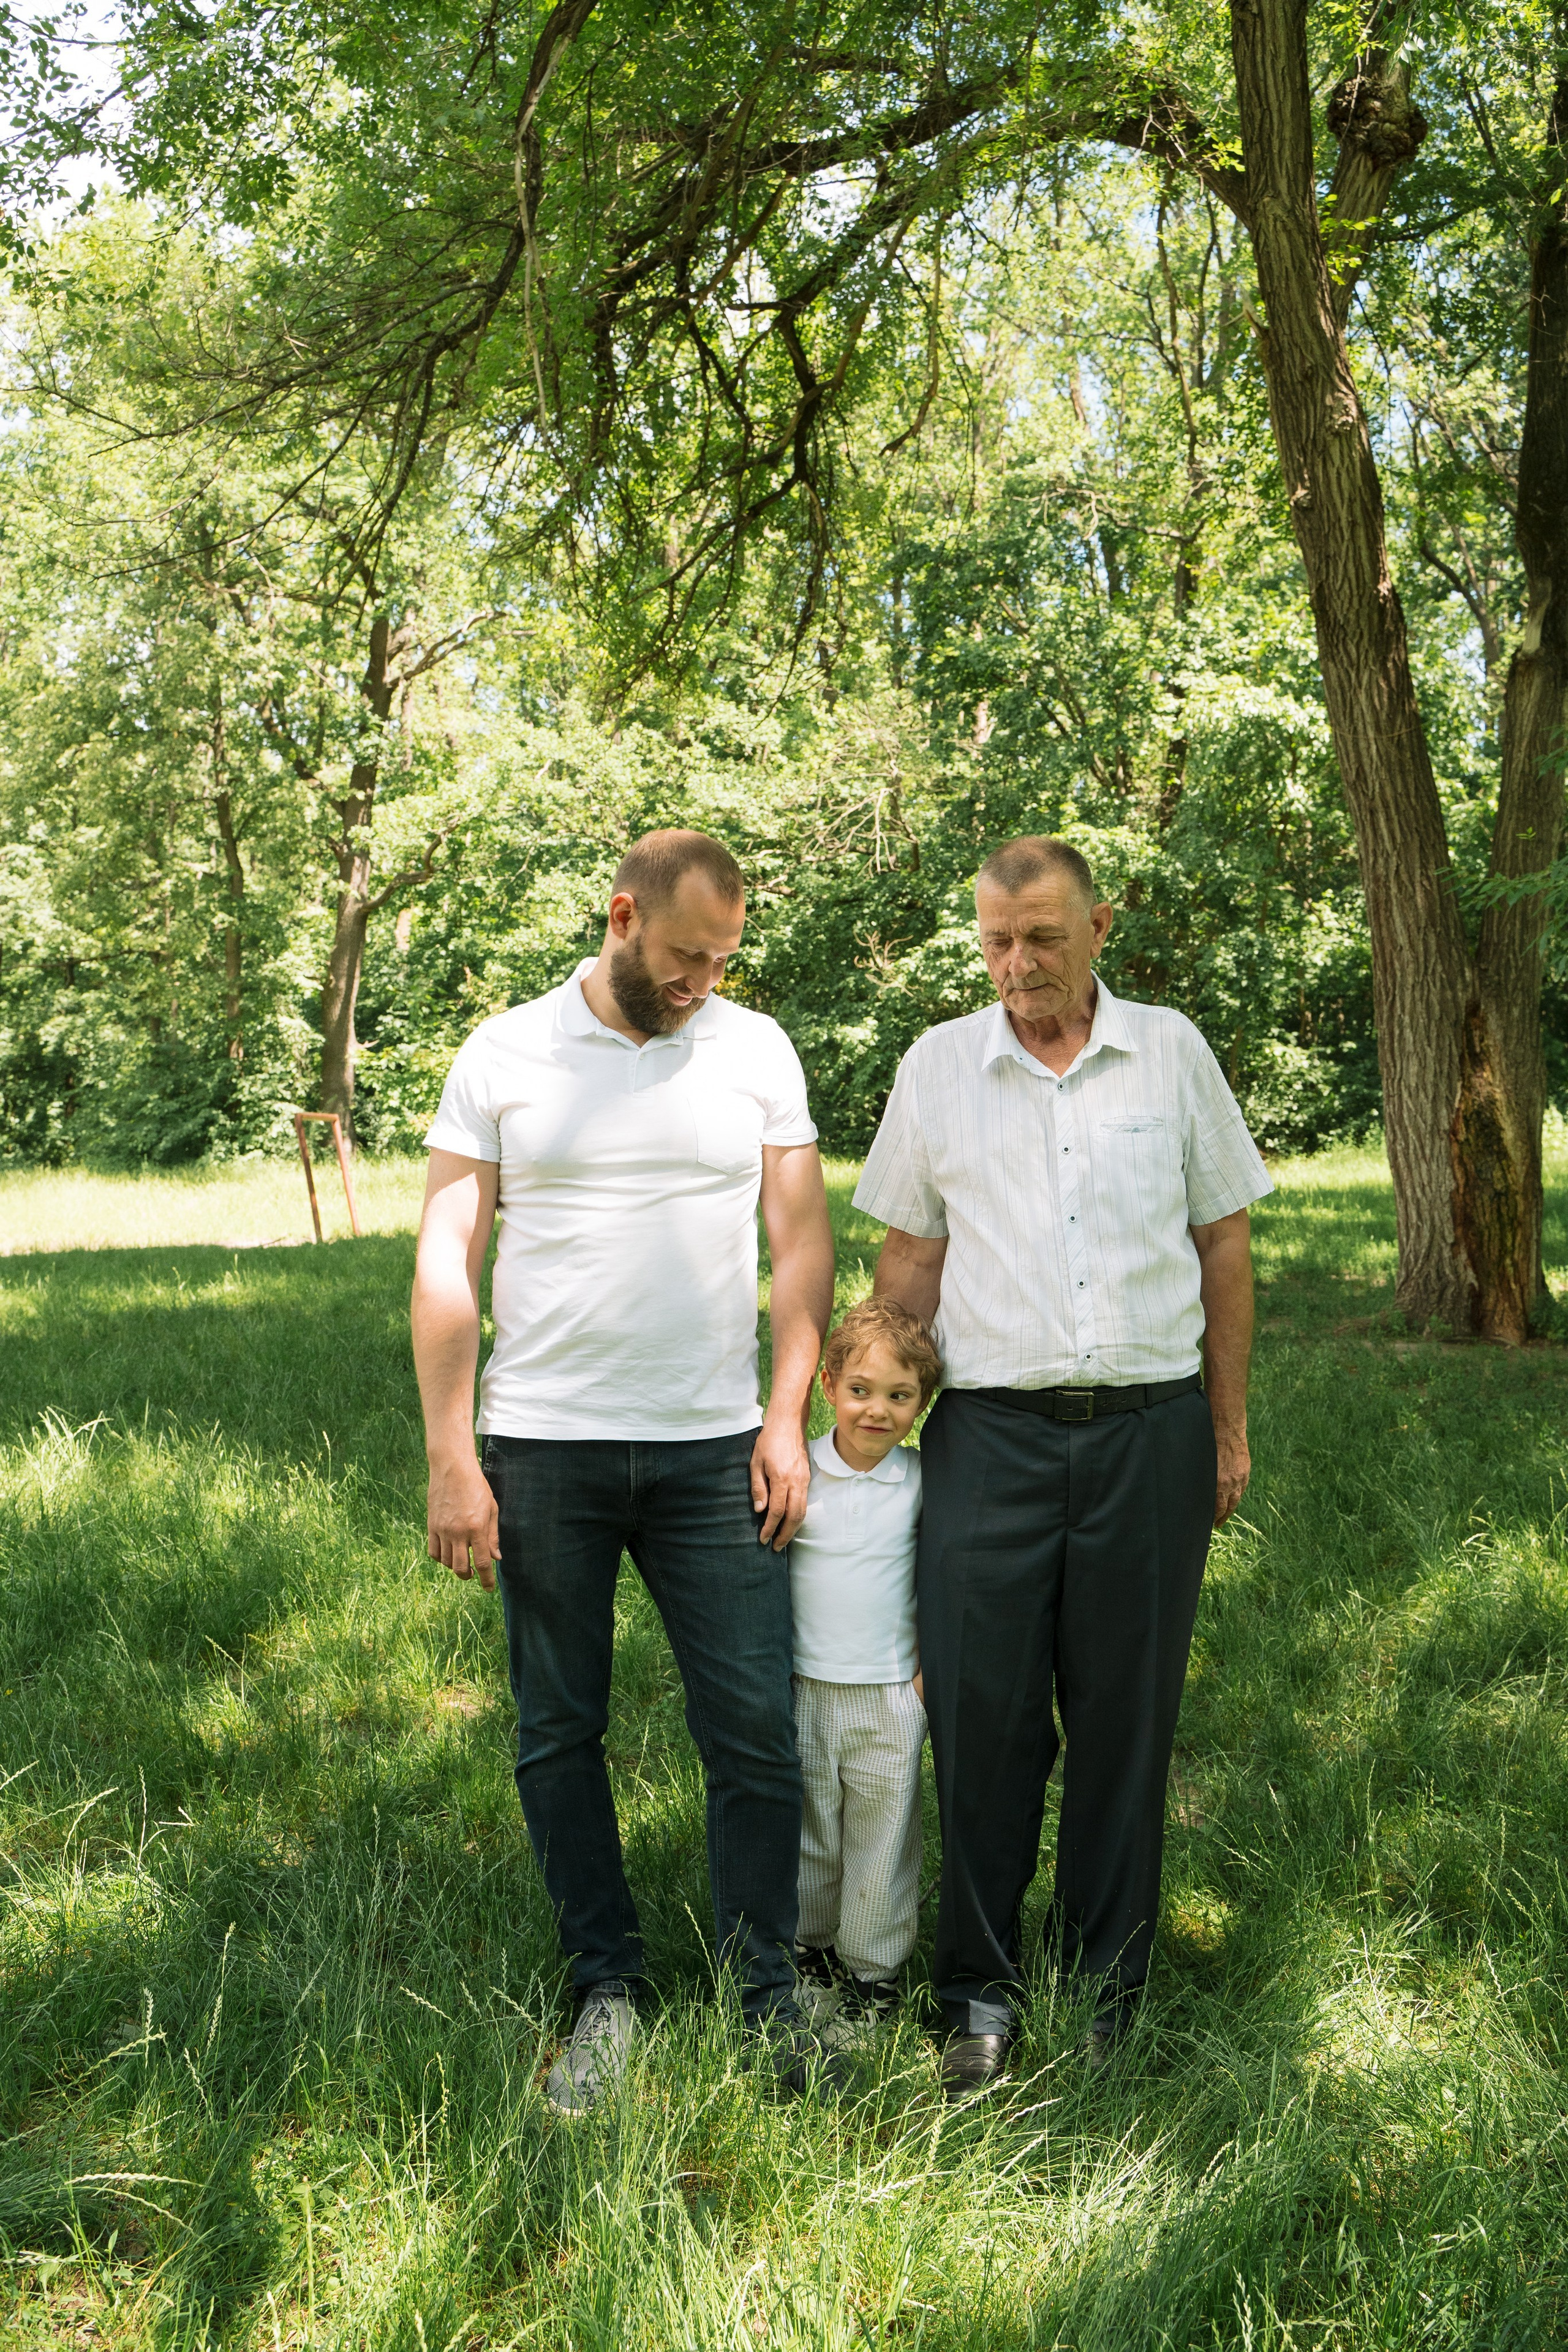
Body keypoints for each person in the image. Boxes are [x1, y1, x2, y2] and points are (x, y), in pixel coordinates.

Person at [411, 827, 835, 2115]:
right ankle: (607, 1989)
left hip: (717, 1448)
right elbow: (446, 1256)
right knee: (559, 1730)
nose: (702, 979)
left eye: (721, 958)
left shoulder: (754, 1051)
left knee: (755, 1727)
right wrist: (450, 1455)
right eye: (683, 954)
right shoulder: (504, 1053)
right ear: (618, 918)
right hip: (543, 1447)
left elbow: (802, 1244)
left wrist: (782, 1418)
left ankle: (768, 1997)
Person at [855, 834, 1271, 2096]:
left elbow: (1223, 1249)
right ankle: (975, 1990)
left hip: (1148, 1431)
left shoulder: (1171, 1051)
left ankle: (1102, 1983)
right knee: (978, 1718)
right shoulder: (937, 1067)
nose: (1016, 963)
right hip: (985, 1440)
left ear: (1101, 926)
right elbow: (907, 1271)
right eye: (993, 941)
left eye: (1040, 936)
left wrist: (1225, 1426)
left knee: (1121, 1723)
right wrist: (864, 1441)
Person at [788, 1298, 940, 2048]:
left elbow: (945, 1578)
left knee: (882, 1836)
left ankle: (872, 1974)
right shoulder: (798, 1468)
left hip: (889, 1692)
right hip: (807, 1685)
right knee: (812, 1831)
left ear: (921, 1403)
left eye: (899, 1396)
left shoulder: (921, 1482)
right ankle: (807, 1955)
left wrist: (926, 1671)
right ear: (827, 1385)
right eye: (861, 1390)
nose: (876, 1410)